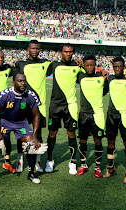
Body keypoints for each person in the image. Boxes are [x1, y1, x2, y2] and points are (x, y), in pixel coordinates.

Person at [0, 73, 44, 184]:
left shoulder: (30, 95)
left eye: (24, 81)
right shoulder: (5, 94)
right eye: (20, 81)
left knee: (31, 144)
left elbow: (36, 115)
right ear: (14, 82)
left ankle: (31, 173)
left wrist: (34, 136)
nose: (22, 83)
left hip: (21, 122)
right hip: (4, 121)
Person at [13, 40, 52, 173]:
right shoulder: (20, 64)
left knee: (38, 134)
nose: (35, 50)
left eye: (37, 48)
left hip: (39, 107)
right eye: (33, 48)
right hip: (22, 106)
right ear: (28, 49)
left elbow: (61, 66)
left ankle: (37, 161)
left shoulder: (45, 64)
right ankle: (20, 160)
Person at [46, 43, 81, 174]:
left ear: (73, 53)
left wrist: (104, 72)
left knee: (71, 133)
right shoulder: (54, 65)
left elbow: (91, 72)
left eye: (70, 52)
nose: (68, 54)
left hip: (70, 106)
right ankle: (50, 160)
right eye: (65, 51)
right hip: (54, 105)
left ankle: (73, 162)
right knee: (52, 133)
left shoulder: (77, 66)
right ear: (61, 52)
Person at [76, 55, 108, 178]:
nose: (90, 67)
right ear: (84, 65)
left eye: (92, 65)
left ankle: (98, 167)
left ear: (95, 65)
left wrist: (104, 72)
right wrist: (76, 61)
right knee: (83, 141)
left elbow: (105, 91)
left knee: (98, 141)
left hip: (98, 115)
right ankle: (83, 165)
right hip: (83, 115)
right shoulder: (80, 76)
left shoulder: (102, 77)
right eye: (87, 65)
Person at [103, 57, 126, 183]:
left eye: (119, 66)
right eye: (115, 66)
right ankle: (110, 168)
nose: (117, 69)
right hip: (111, 115)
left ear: (124, 66)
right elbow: (103, 92)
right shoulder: (110, 79)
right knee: (111, 141)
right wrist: (103, 79)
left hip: (125, 115)